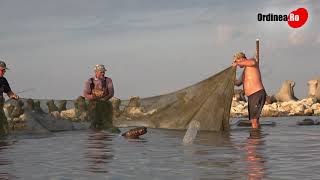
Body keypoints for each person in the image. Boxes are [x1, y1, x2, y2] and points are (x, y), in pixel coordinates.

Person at [232, 52, 266, 129]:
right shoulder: (244, 71)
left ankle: (254, 139)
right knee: (254, 120)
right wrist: (230, 79)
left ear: (241, 59)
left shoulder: (252, 61)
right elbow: (238, 83)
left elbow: (253, 62)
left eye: (236, 61)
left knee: (254, 120)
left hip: (257, 93)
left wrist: (237, 63)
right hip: (251, 97)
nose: (235, 63)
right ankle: (257, 138)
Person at [83, 64, 114, 130]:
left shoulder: (108, 80)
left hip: (105, 103)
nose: (103, 73)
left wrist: (104, 99)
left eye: (104, 72)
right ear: (96, 72)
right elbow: (85, 94)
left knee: (107, 123)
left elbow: (111, 93)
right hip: (93, 103)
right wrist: (92, 97)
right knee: (93, 121)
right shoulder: (90, 81)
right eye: (101, 72)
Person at [0, 61, 19, 136]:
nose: (4, 72)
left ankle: (4, 144)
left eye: (4, 70)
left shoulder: (3, 80)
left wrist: (14, 96)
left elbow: (9, 93)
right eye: (2, 70)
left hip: (0, 108)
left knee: (4, 124)